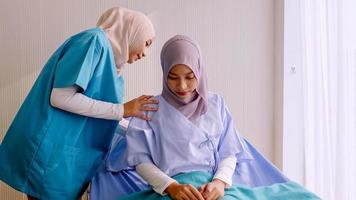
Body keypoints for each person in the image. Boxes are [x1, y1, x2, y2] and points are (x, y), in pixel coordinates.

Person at [90, 35, 320, 200]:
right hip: (175, 190)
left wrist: (220, 183)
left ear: (199, 72)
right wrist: (172, 187)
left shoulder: (216, 104)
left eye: (190, 77)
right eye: (173, 77)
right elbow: (141, 162)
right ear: (164, 73)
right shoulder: (149, 108)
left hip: (213, 190)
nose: (182, 86)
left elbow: (229, 152)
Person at [0, 6, 158, 200]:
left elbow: (103, 113)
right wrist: (123, 109)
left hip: (68, 157)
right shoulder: (94, 41)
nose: (145, 53)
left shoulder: (114, 67)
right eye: (147, 43)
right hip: (52, 150)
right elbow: (60, 97)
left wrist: (136, 129)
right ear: (133, 32)